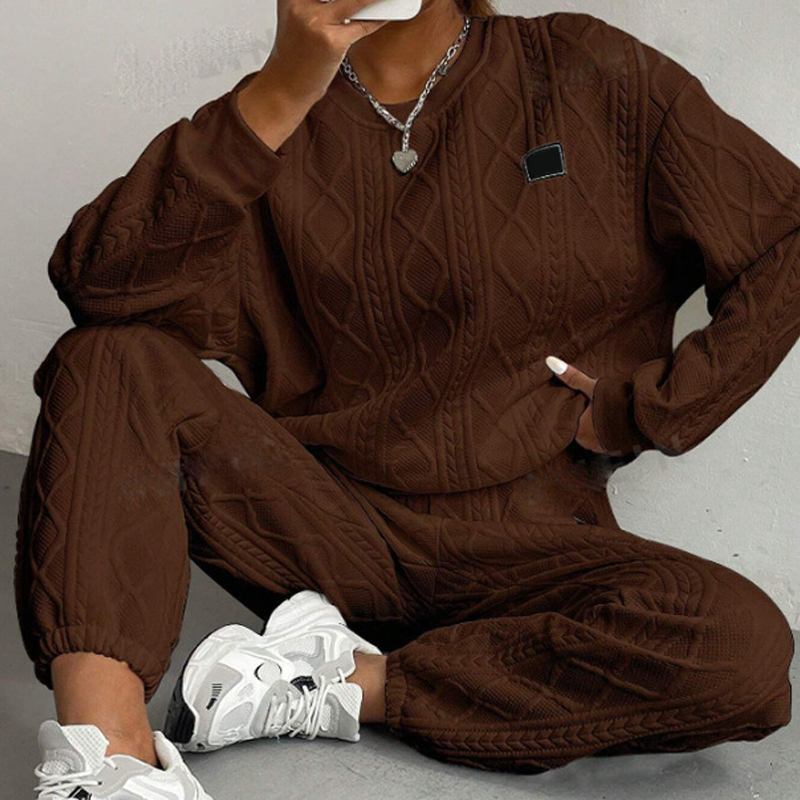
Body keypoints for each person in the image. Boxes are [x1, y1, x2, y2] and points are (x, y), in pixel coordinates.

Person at [16, 0, 799, 795]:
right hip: (320, 533)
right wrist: (281, 91)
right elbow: (98, 287)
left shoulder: (586, 69)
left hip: (533, 553)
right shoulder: (271, 121)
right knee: (108, 358)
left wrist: (649, 409)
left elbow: (784, 238)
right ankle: (106, 762)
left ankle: (335, 684)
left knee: (740, 649)